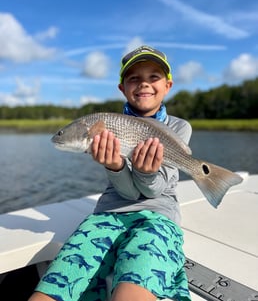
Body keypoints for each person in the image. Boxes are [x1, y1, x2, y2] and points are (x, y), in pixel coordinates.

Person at [29, 45, 192, 301]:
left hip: (158, 215)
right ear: (122, 88)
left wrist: (145, 172)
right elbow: (127, 192)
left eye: (153, 77)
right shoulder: (107, 125)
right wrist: (114, 166)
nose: (144, 84)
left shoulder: (178, 127)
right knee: (55, 286)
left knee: (132, 291)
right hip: (108, 213)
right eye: (134, 78)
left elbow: (153, 190)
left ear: (168, 85)